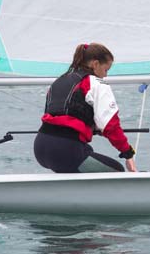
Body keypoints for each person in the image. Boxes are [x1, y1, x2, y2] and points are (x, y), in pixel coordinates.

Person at [34, 43, 137, 173]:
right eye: (106, 70)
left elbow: (61, 115)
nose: (105, 75)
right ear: (95, 64)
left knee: (87, 152)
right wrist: (127, 153)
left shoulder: (60, 80)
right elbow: (110, 126)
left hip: (40, 147)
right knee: (117, 170)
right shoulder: (97, 84)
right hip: (65, 151)